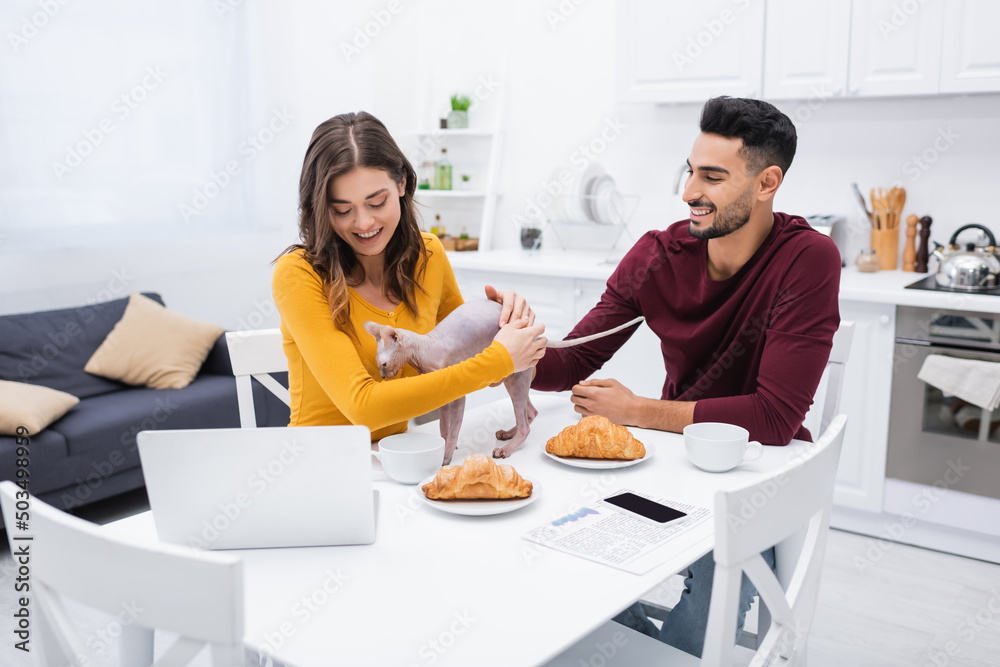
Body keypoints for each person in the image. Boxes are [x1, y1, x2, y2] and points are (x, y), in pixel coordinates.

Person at [531, 96, 841, 656]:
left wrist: (637, 411)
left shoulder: (807, 259)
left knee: (719, 581)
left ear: (767, 183)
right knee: (567, 536)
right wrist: (497, 347)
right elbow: (571, 361)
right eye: (691, 171)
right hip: (670, 466)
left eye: (713, 177)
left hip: (757, 474)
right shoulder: (657, 256)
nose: (689, 191)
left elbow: (774, 418)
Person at [272, 111, 546, 440]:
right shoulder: (299, 274)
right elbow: (363, 408)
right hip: (320, 458)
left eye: (377, 202)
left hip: (398, 455)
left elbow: (472, 372)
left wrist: (503, 326)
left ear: (402, 182)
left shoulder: (427, 255)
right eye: (342, 210)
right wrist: (500, 359)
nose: (363, 223)